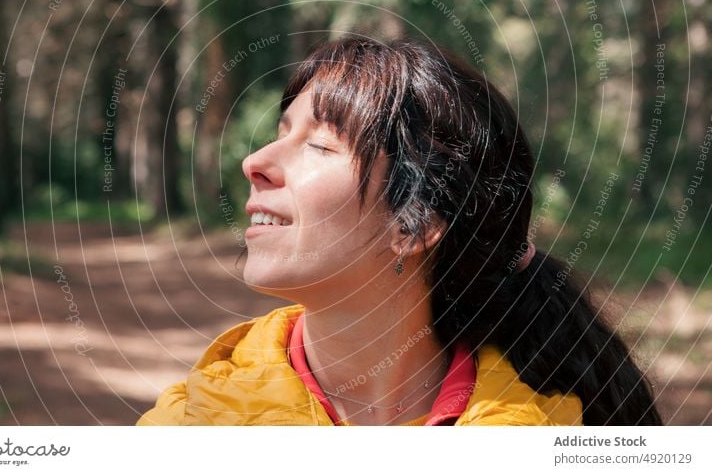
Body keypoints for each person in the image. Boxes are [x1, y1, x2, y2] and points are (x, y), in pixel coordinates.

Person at [137, 37, 662, 426]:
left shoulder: (569, 432)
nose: (255, 162)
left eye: (319, 145)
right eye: (280, 133)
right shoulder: (186, 428)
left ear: (417, 226)